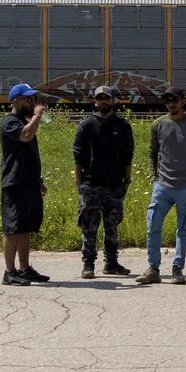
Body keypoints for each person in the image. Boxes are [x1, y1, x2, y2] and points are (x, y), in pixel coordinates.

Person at [136, 87, 186, 285]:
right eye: (167, 100)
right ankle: (153, 269)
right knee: (152, 227)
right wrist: (153, 177)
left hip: (185, 187)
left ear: (183, 101)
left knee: (183, 230)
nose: (171, 104)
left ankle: (177, 268)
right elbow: (152, 153)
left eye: (174, 100)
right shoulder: (158, 125)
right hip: (162, 187)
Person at [73, 85, 135, 279]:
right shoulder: (86, 125)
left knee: (112, 225)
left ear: (113, 101)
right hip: (91, 183)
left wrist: (126, 179)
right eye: (99, 98)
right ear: (95, 101)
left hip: (115, 184)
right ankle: (88, 264)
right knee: (89, 226)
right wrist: (79, 182)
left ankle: (111, 263)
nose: (103, 102)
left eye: (106, 98)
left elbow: (128, 155)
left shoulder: (122, 126)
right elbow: (77, 154)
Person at [0, 83, 50, 286]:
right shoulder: (10, 122)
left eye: (33, 98)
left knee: (25, 227)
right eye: (28, 99)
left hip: (28, 182)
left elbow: (29, 153)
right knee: (13, 228)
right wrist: (37, 115)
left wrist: (38, 180)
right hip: (14, 183)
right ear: (15, 101)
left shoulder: (25, 121)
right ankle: (9, 272)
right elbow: (25, 136)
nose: (32, 102)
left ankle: (25, 268)